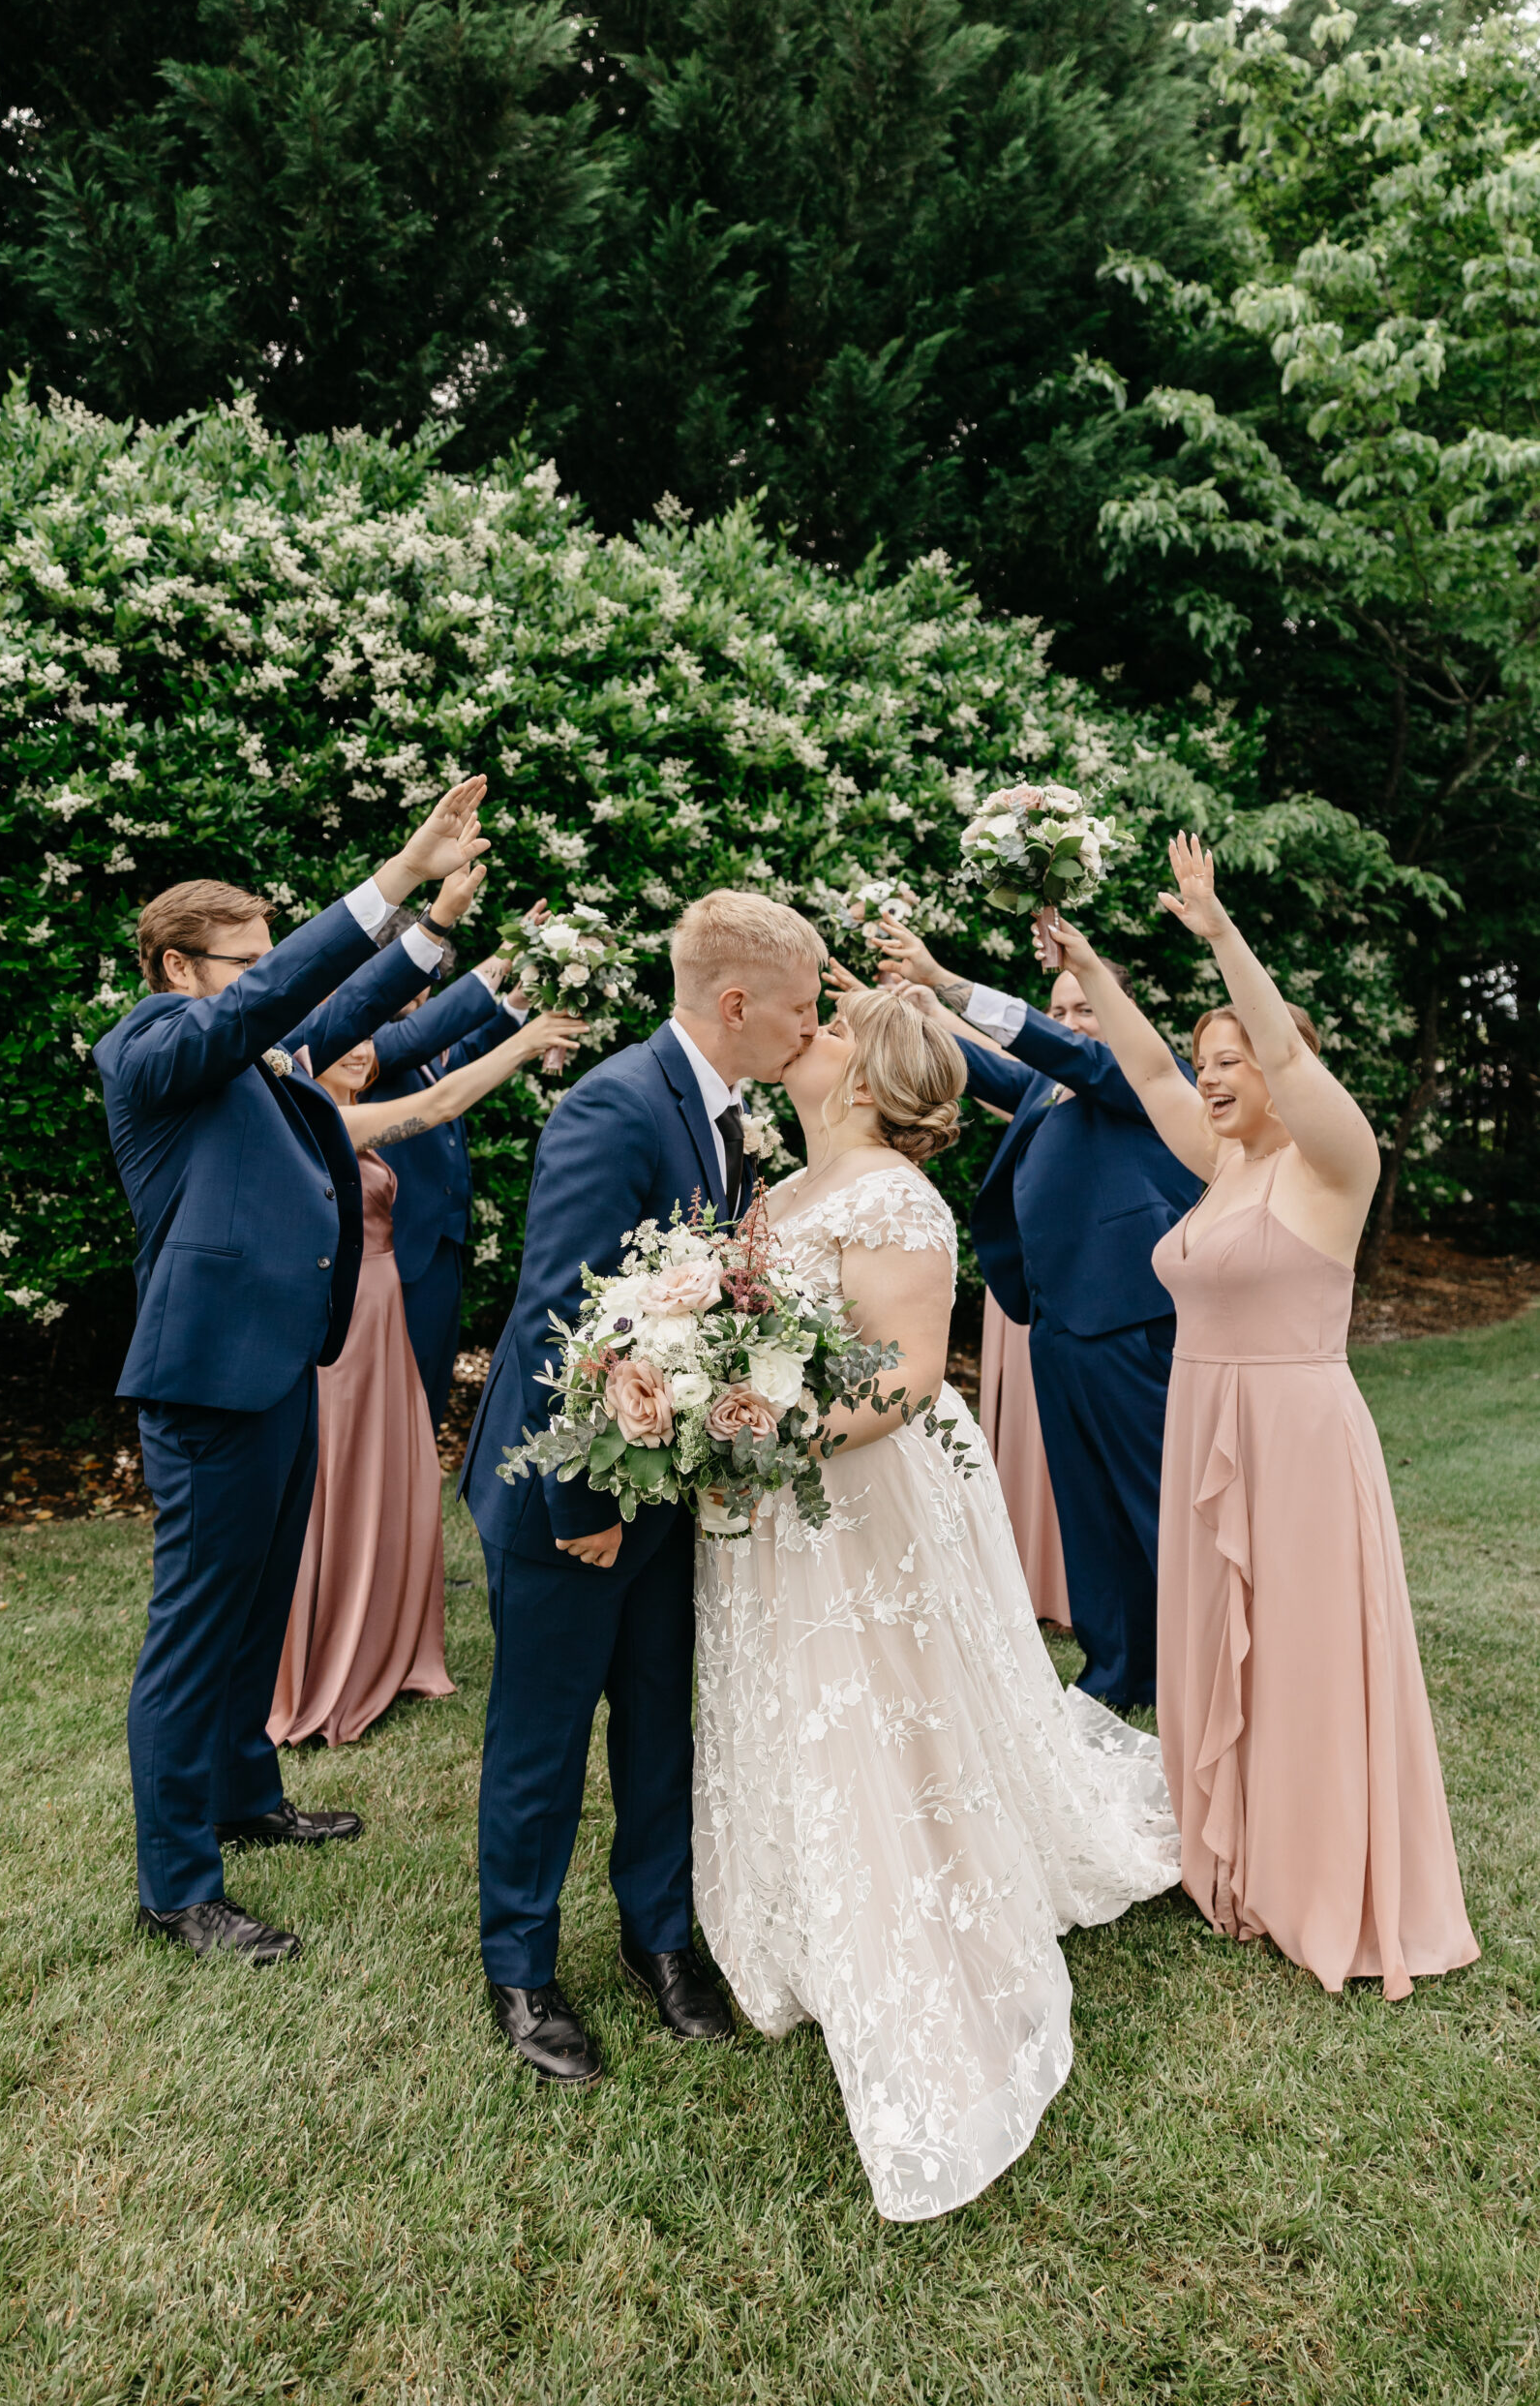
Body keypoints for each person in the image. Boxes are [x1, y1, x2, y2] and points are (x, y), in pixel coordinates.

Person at [692, 988, 1181, 2221]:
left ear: (864, 1077)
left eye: (833, 1028)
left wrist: (773, 1442)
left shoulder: (894, 1199)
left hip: (856, 1492)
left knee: (887, 1698)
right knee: (798, 1693)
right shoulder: (781, 1191)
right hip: (775, 1502)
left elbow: (908, 1375)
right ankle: (795, 1913)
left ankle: (925, 1893)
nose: (810, 1032)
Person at [1046, 838, 1478, 2000]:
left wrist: (1221, 931)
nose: (1214, 1077)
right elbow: (1145, 1073)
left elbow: (1280, 1045)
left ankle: (1312, 1867)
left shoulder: (1334, 1165)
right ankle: (1229, 1838)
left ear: (1290, 1067)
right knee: (1214, 1637)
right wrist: (1093, 969)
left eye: (1230, 1060)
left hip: (1295, 1438)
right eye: (1210, 1063)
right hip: (1205, 1424)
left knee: (1302, 1652)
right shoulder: (1222, 1164)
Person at [95, 778, 489, 1966]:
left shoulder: (253, 1057)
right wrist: (397, 874)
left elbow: (342, 1001)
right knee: (195, 1628)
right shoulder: (152, 1046)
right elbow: (273, 1000)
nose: (267, 978)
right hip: (208, 1379)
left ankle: (244, 1794)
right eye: (245, 961)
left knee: (260, 1603)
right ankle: (177, 1886)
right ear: (179, 967)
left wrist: (431, 927)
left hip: (277, 1365)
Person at [460, 890, 828, 2086]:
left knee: (663, 1720)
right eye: (803, 1008)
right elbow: (558, 1316)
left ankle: (658, 1938)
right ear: (737, 1002)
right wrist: (582, 1509)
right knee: (544, 1738)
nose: (813, 1029)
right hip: (569, 1498)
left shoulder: (722, 1113)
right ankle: (520, 1966)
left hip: (666, 1487)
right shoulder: (612, 1105)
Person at [870, 915, 1201, 1713]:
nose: (1070, 1022)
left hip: (1127, 1322)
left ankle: (1198, 1673)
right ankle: (1113, 1672)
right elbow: (985, 1069)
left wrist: (947, 981)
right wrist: (902, 1015)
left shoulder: (1145, 1078)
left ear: (1120, 1015)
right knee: (1087, 1510)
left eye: (1086, 1006)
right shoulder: (1047, 1090)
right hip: (1054, 1323)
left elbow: (1066, 1053)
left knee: (1153, 1504)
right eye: (1060, 1008)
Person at [267, 1004, 586, 1748]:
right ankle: (329, 1664)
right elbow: (439, 1103)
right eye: (341, 1042)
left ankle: (391, 1646)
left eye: (365, 1041)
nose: (359, 1052)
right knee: (340, 1485)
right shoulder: (315, 1124)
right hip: (347, 1331)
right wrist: (525, 1041)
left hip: (386, 1327)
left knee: (393, 1482)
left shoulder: (350, 1111)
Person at [285, 875, 545, 1435]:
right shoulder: (357, 1044)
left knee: (426, 1381)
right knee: (374, 1401)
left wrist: (519, 1003)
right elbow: (430, 1057)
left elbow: (461, 1054)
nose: (423, 990)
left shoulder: (408, 1043)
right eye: (417, 974)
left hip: (439, 1238)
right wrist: (504, 959)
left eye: (432, 978)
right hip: (391, 1244)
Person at [980, 1286, 1070, 1629]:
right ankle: (1017, 1579)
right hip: (1020, 1281)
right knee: (1023, 1409)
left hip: (1074, 1286)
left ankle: (1063, 1588)